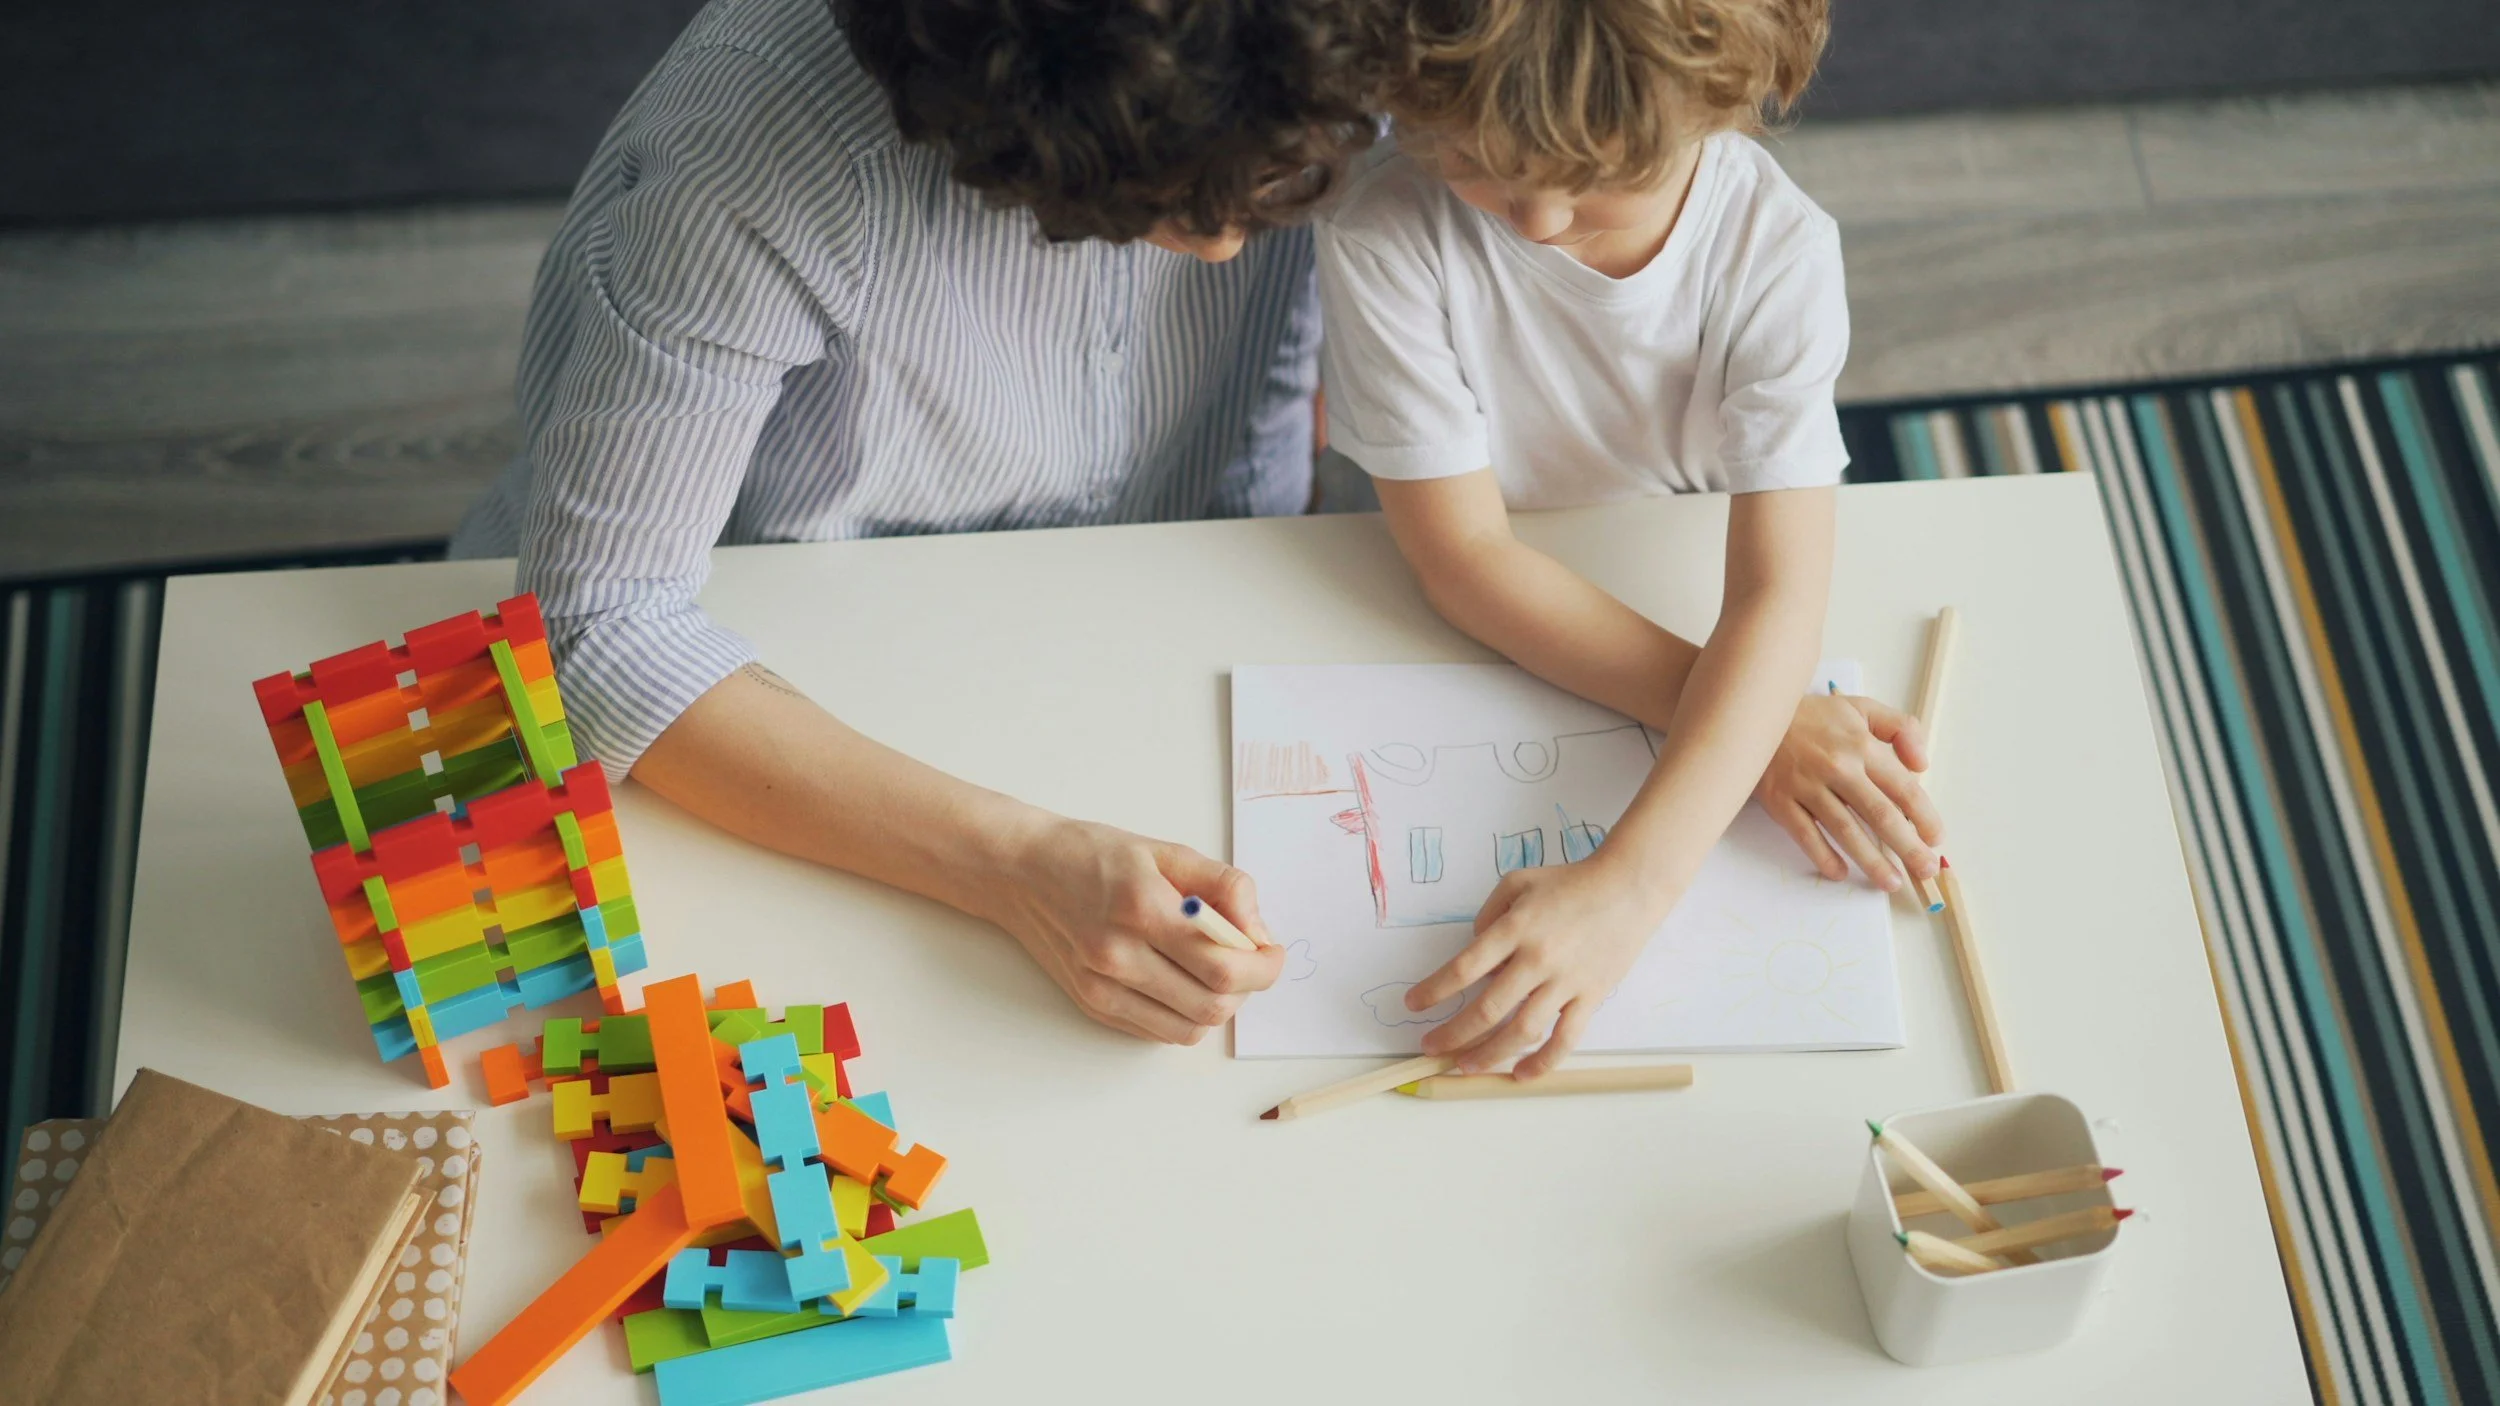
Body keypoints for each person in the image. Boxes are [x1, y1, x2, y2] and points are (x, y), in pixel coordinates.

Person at [450, 0, 1403, 1046]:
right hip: (786, 706)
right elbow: (598, 627)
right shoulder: (755, 142)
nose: (1226, 249)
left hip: (1148, 652)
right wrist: (1017, 865)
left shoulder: (1332, 47)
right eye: (1163, 206)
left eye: (1271, 196)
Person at [1313, 0, 1942, 1079]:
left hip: (1670, 554)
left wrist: (1635, 879)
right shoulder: (1386, 229)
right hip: (1474, 603)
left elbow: (1776, 597)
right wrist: (1759, 727)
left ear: (1724, 110)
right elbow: (1462, 558)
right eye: (1477, 163)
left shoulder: (1774, 250)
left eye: (1595, 179)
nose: (1540, 220)